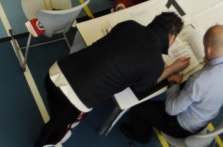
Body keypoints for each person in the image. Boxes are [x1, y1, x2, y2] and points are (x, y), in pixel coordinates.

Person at [33, 11, 188, 147]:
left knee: (55, 105)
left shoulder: (129, 25)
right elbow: (142, 87)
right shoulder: (156, 63)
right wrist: (171, 69)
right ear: (171, 37)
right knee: (55, 131)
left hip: (57, 71)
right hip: (74, 99)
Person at [120, 25, 223, 144]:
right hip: (206, 118)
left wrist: (174, 83)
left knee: (137, 109)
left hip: (182, 126)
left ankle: (142, 137)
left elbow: (171, 109)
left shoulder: (200, 81)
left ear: (208, 50)